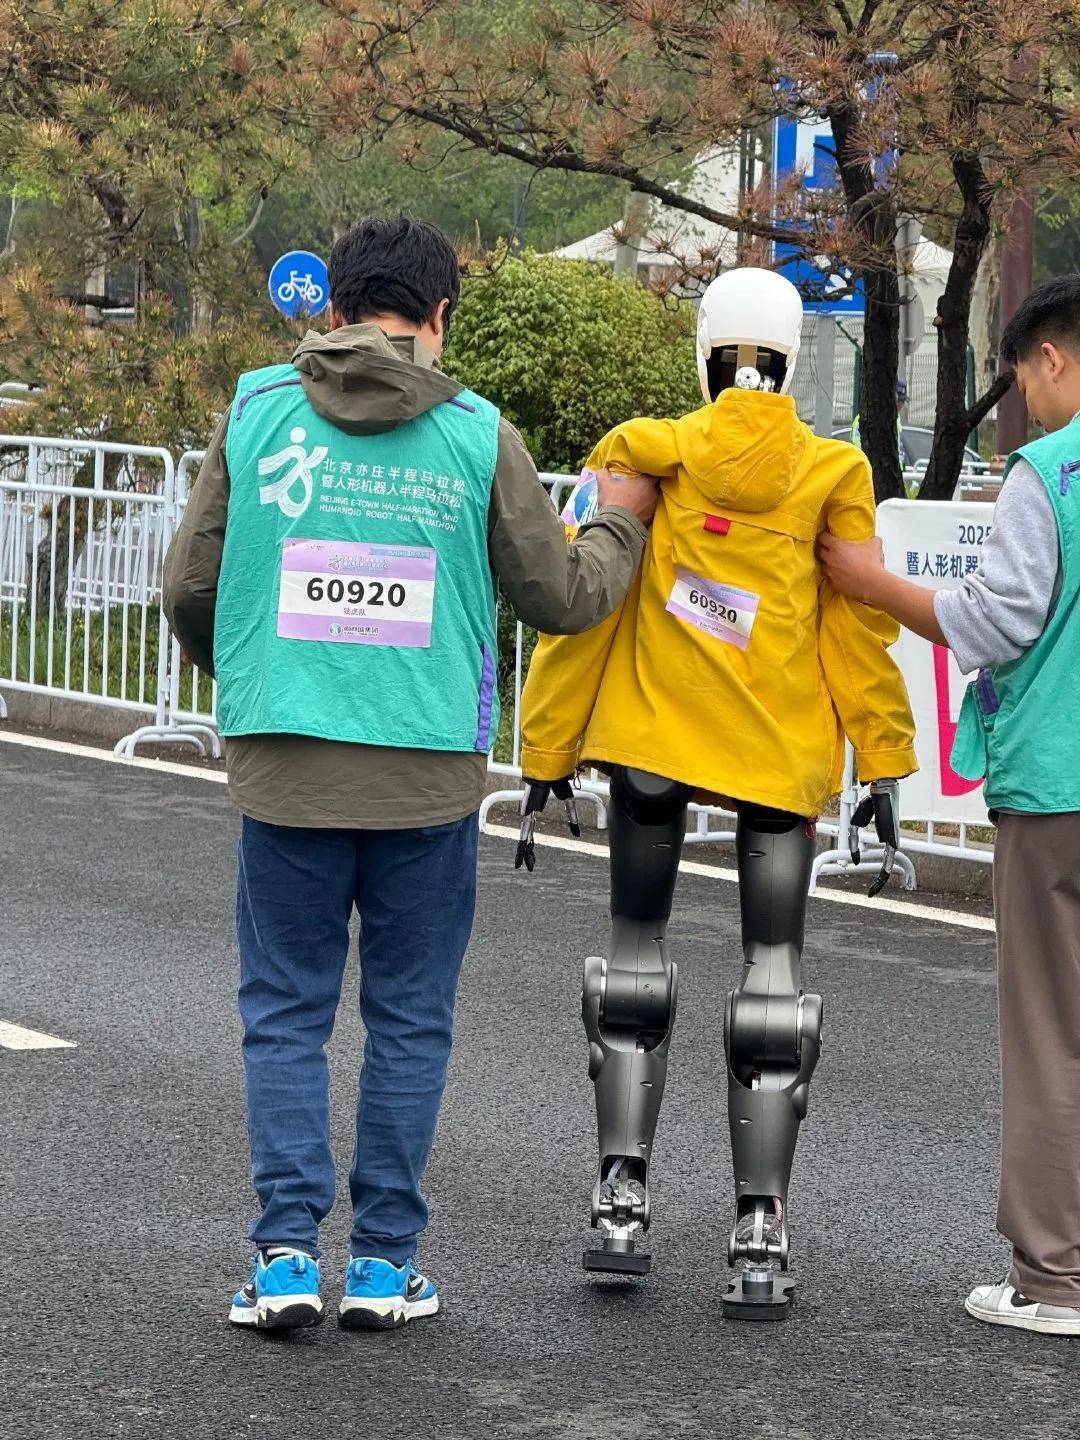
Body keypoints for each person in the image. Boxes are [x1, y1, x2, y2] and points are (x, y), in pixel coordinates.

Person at [162, 215, 658, 1333]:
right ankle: (385, 1270)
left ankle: (285, 1260)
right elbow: (560, 600)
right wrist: (620, 526)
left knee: (285, 1016)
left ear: (333, 309)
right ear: (441, 318)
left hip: (284, 762)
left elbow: (190, 592)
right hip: (427, 772)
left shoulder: (256, 409)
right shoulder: (477, 434)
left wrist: (255, 670)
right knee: (409, 1020)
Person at [516, 267, 916, 1317]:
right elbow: (855, 632)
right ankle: (758, 1227)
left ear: (705, 349)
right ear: (793, 358)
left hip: (651, 736)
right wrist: (882, 764)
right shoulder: (833, 471)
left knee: (634, 961)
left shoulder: (643, 454)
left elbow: (588, 605)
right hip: (780, 753)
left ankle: (621, 1198)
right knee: (774, 975)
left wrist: (546, 755)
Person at [818, 274, 1080, 1337]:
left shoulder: (1050, 473)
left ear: (1051, 357)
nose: (1025, 403)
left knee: (1052, 1031)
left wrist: (872, 584)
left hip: (1060, 787)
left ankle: (1054, 1279)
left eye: (1022, 380)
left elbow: (999, 617)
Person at [851, 378, 916, 494]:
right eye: (898, 401)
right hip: (870, 475)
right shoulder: (865, 418)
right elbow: (859, 445)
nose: (900, 406)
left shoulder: (896, 420)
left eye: (902, 402)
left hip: (894, 475)